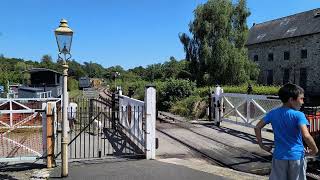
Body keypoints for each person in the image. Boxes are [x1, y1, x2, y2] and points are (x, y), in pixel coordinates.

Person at [254, 83, 318, 180]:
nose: (303, 102)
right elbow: (306, 135)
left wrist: (262, 145)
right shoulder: (299, 115)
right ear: (291, 100)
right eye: (301, 99)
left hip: (279, 156)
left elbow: (257, 127)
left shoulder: (273, 113)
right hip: (296, 156)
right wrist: (314, 150)